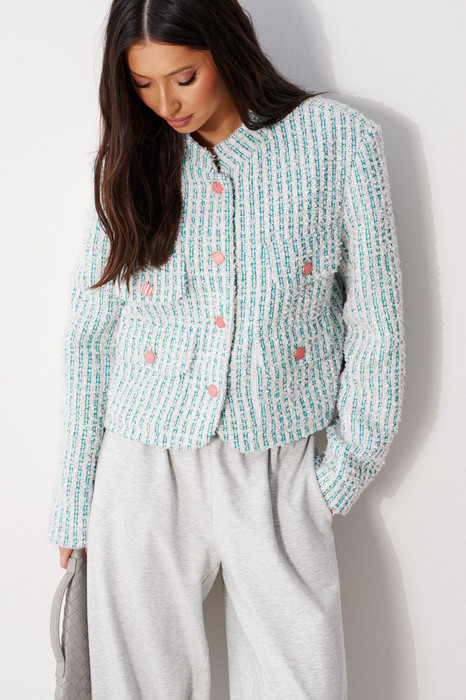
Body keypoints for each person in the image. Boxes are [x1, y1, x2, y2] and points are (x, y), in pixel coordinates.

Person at [47, 0, 406, 697]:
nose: (165, 104)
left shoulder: (339, 142)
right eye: (143, 84)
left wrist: (340, 475)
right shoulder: (131, 159)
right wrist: (74, 501)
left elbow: (377, 323)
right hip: (141, 468)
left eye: (183, 77)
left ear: (226, 47)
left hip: (276, 464)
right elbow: (91, 338)